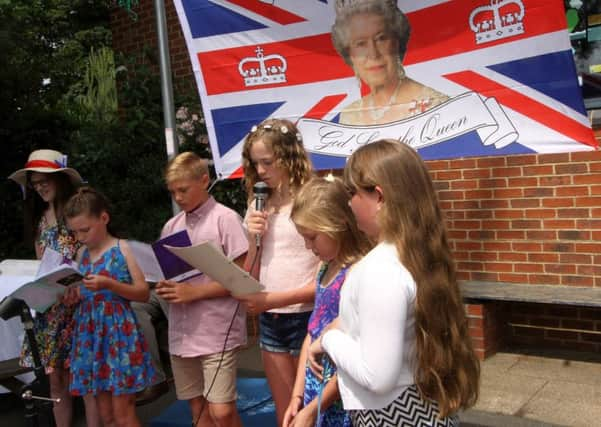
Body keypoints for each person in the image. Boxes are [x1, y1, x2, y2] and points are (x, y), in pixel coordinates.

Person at [307, 140, 480, 426]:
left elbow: (377, 377)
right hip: (421, 407)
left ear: (379, 196)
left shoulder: (380, 268)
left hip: (391, 415)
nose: (349, 203)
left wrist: (328, 339)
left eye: (353, 193)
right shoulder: (416, 254)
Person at [8, 149, 100, 427]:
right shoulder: (40, 217)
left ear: (59, 178)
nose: (40, 188)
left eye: (43, 180)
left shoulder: (79, 209)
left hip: (79, 304)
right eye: (34, 184)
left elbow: (94, 253)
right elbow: (43, 262)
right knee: (56, 380)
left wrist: (80, 286)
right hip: (50, 308)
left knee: (85, 380)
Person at [155, 152, 248, 427]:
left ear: (204, 180)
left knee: (222, 411)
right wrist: (164, 286)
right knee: (198, 409)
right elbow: (173, 278)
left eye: (183, 189)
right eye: (173, 192)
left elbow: (242, 279)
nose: (178, 197)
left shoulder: (225, 219)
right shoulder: (171, 226)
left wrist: (193, 293)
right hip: (183, 331)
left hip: (216, 329)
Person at [237, 118, 319, 426]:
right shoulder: (258, 203)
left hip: (307, 314)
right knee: (284, 411)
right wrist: (252, 238)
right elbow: (251, 271)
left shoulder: (311, 197)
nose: (260, 171)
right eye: (254, 163)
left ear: (289, 156)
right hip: (271, 318)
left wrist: (273, 299)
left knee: (311, 410)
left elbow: (331, 278)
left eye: (267, 162)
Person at [282, 177, 372, 427]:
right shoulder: (324, 268)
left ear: (338, 225)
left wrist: (312, 410)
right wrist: (297, 396)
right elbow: (311, 334)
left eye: (312, 237)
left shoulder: (357, 273)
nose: (307, 246)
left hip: (340, 398)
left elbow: (356, 356)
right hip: (314, 395)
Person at [64, 187, 155, 427]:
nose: (81, 237)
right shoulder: (82, 253)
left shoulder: (123, 248)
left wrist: (110, 284)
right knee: (106, 416)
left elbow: (143, 293)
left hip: (117, 333)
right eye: (75, 232)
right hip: (90, 335)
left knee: (123, 413)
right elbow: (81, 290)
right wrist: (73, 295)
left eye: (85, 230)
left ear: (104, 218)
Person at [332, 0, 449, 125]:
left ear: (397, 42)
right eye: (361, 44)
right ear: (350, 54)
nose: (373, 54)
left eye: (381, 38)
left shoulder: (435, 104)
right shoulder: (349, 115)